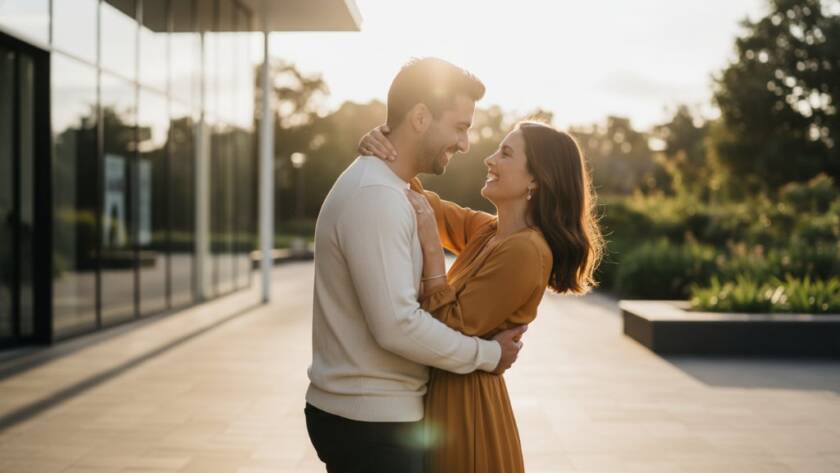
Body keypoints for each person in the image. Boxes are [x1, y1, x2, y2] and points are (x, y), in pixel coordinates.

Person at [305, 57, 528, 473]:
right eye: (460, 127)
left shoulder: (392, 188)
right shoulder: (377, 195)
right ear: (421, 117)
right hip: (369, 424)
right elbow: (397, 325)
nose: (466, 144)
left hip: (373, 416)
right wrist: (488, 354)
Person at [358, 119, 605, 472]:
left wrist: (432, 247)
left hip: (466, 414)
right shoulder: (490, 231)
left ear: (536, 178)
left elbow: (447, 326)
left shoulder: (527, 251)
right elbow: (424, 203)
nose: (489, 159)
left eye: (505, 153)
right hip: (445, 401)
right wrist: (385, 144)